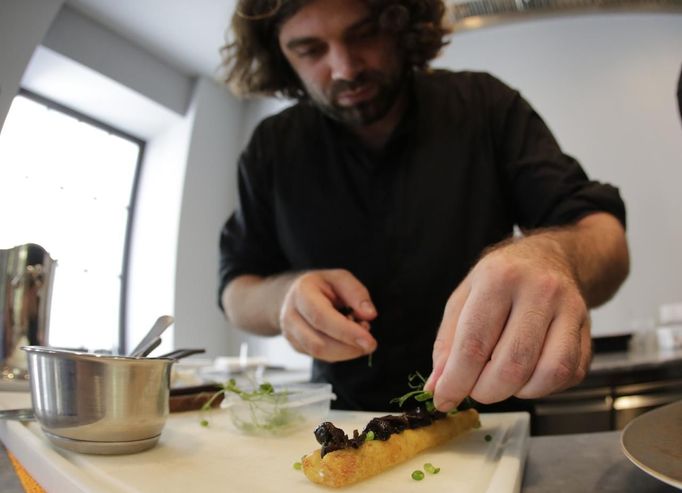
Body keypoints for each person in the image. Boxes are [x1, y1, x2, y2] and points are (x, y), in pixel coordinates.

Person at [217, 0, 630, 413]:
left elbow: (606, 240)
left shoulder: (486, 106)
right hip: (343, 423)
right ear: (279, 55)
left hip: (490, 421)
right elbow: (237, 292)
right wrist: (284, 298)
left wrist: (553, 256)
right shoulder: (271, 148)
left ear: (401, 22)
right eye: (310, 50)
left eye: (364, 34)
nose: (345, 68)